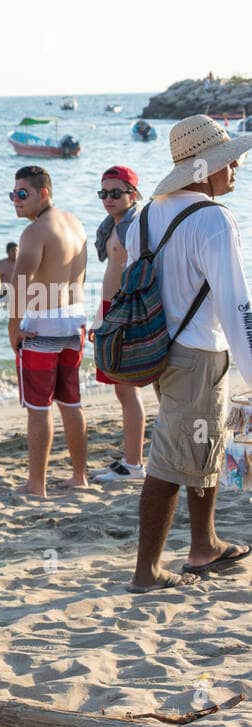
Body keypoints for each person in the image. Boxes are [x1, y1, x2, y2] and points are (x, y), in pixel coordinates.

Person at [127, 116, 252, 592]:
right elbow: (236, 302)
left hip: (160, 350)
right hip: (199, 354)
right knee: (168, 462)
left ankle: (205, 544)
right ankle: (146, 572)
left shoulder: (147, 215)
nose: (237, 165)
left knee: (202, 445)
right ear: (204, 168)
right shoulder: (214, 219)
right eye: (228, 160)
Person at [8, 166, 90, 497]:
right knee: (71, 403)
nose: (16, 200)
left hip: (43, 325)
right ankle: (79, 476)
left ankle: (37, 485)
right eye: (12, 194)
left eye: (22, 193)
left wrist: (13, 327)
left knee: (39, 408)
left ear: (43, 193)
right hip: (75, 321)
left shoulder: (36, 231)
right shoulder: (75, 223)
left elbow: (19, 284)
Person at [87, 166, 146, 483]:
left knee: (128, 390)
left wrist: (123, 316)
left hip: (126, 312)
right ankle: (129, 459)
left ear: (132, 194)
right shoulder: (112, 225)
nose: (108, 199)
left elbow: (140, 276)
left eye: (115, 193)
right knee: (120, 391)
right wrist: (100, 315)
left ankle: (134, 464)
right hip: (109, 309)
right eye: (103, 193)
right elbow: (110, 274)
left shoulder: (136, 227)